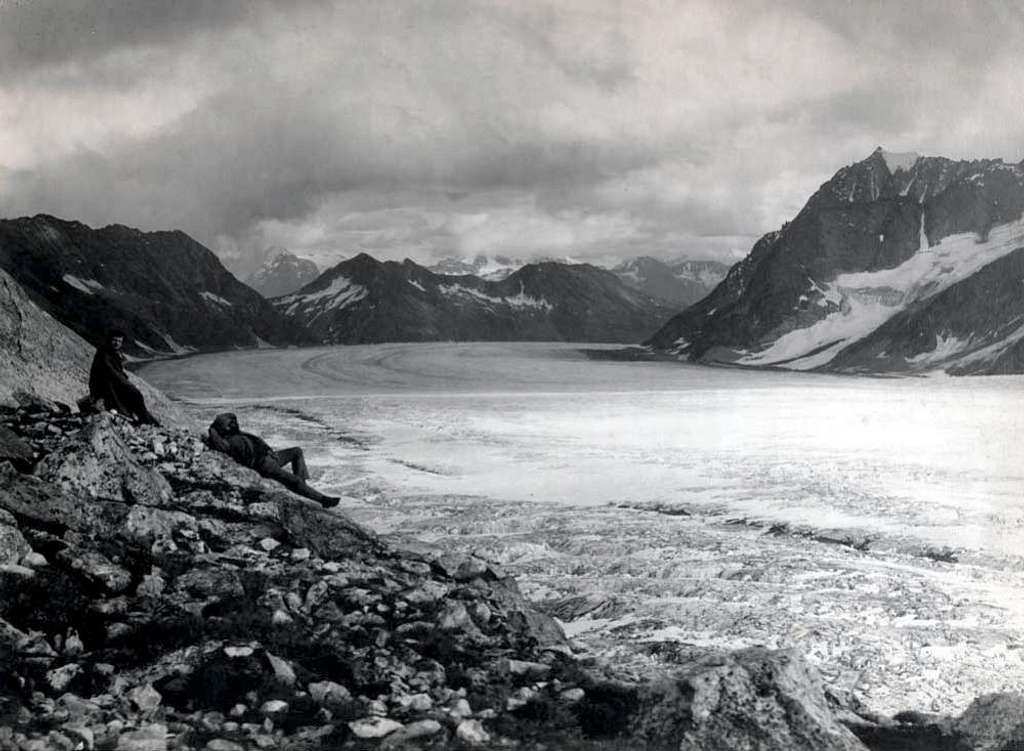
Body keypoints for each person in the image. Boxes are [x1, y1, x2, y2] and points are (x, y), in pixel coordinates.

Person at [207, 413, 340, 508]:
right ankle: (323, 500)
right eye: (230, 423)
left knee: (296, 451)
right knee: (294, 480)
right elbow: (219, 444)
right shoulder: (227, 442)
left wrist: (270, 451)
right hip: (264, 465)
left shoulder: (239, 435)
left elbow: (257, 443)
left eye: (234, 421)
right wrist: (212, 430)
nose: (235, 424)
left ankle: (302, 488)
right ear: (223, 428)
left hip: (271, 457)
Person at [89, 330, 160, 426]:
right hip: (102, 386)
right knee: (133, 393)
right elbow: (111, 372)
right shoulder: (103, 353)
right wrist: (127, 384)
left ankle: (147, 420)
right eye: (114, 340)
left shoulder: (113, 353)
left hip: (112, 382)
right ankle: (136, 419)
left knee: (134, 394)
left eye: (119, 341)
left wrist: (125, 380)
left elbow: (118, 372)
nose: (116, 343)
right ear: (109, 340)